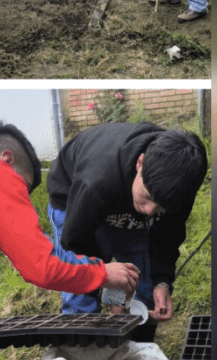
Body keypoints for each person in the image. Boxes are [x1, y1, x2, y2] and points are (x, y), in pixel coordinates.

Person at [0, 121, 140, 360]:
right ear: (7, 159)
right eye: (22, 188)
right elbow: (41, 265)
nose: (21, 200)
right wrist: (104, 273)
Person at [46, 122, 208, 342]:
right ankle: (81, 345)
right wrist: (104, 278)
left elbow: (167, 237)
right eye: (149, 197)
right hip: (73, 199)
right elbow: (75, 242)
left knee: (147, 283)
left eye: (161, 208)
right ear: (140, 163)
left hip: (119, 196)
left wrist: (162, 281)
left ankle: (138, 346)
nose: (150, 211)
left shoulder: (178, 189)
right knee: (81, 293)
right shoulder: (97, 180)